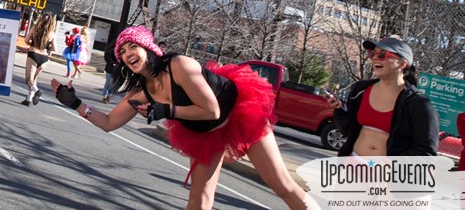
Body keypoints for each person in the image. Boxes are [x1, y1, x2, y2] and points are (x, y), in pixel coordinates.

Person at [51, 25, 312, 210]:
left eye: (133, 47)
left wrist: (167, 111)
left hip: (240, 114)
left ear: (148, 48)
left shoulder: (179, 65)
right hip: (207, 134)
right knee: (198, 202)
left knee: (281, 185)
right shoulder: (141, 92)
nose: (129, 54)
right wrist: (76, 104)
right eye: (124, 52)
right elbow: (109, 123)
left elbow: (212, 110)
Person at [329, 36, 439, 158]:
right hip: (351, 163)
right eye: (372, 53)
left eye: (382, 55)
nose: (374, 58)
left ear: (402, 63)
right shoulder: (360, 89)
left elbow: (426, 153)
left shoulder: (418, 103)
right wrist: (340, 110)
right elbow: (346, 130)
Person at [21, 13, 56, 106]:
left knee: (29, 79)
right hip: (44, 58)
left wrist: (31, 44)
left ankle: (36, 91)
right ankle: (28, 99)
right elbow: (54, 48)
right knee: (34, 78)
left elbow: (26, 40)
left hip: (33, 55)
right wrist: (46, 48)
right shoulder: (52, 33)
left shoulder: (35, 28)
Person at [101, 34, 118, 104]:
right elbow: (107, 57)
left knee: (114, 84)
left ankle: (109, 95)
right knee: (108, 82)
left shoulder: (122, 51)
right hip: (110, 68)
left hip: (118, 70)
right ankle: (104, 96)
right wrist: (113, 63)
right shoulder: (111, 50)